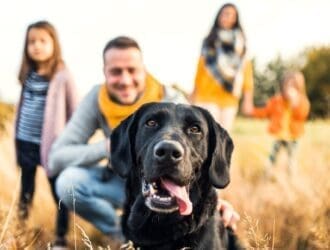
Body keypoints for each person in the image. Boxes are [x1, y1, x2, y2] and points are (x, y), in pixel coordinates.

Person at [48, 36, 240, 244]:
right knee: (68, 182)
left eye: (132, 70)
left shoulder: (172, 100)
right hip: (123, 179)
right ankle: (123, 235)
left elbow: (197, 154)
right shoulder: (96, 99)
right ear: (104, 72)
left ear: (144, 70)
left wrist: (215, 202)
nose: (125, 80)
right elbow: (56, 157)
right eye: (115, 71)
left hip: (173, 181)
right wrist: (109, 147)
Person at [15, 20, 79, 248]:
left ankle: (61, 237)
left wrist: (71, 144)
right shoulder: (28, 74)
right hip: (26, 142)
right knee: (26, 190)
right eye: (32, 42)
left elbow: (75, 112)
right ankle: (19, 229)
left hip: (53, 147)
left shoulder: (62, 75)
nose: (37, 46)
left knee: (59, 190)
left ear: (54, 43)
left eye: (42, 41)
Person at [191, 3, 254, 131]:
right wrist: (193, 93)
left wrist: (248, 99)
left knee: (224, 137)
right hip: (206, 95)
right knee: (207, 133)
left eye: (232, 15)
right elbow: (200, 68)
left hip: (229, 98)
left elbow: (246, 71)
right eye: (225, 14)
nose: (228, 17)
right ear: (219, 16)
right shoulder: (209, 41)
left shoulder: (241, 44)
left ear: (236, 19)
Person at [248, 71, 310, 175]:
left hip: (293, 137)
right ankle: (267, 173)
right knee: (272, 156)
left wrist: (295, 103)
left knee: (291, 159)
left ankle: (291, 176)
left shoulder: (302, 101)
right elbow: (265, 112)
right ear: (283, 86)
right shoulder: (276, 101)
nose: (290, 88)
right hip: (279, 135)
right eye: (288, 85)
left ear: (299, 87)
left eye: (293, 85)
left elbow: (302, 115)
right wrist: (251, 112)